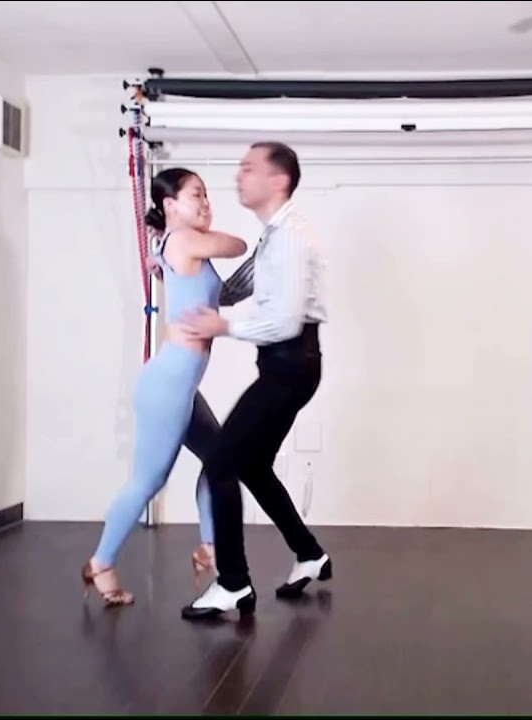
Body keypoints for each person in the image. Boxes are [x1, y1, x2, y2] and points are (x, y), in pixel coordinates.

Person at [177, 141, 331, 620]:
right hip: (288, 365)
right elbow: (236, 287)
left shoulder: (289, 237)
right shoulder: (274, 235)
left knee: (221, 465)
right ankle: (310, 554)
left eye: (249, 168)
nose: (238, 175)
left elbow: (283, 321)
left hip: (290, 364)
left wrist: (222, 326)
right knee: (254, 466)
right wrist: (180, 265)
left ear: (278, 180)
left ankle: (234, 583)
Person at [80, 167, 249, 606]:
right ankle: (100, 562)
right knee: (148, 481)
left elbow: (208, 292)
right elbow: (238, 244)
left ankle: (210, 547)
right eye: (197, 195)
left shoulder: (174, 245)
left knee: (220, 460)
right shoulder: (184, 240)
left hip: (181, 385)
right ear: (170, 204)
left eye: (207, 195)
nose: (206, 203)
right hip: (169, 384)